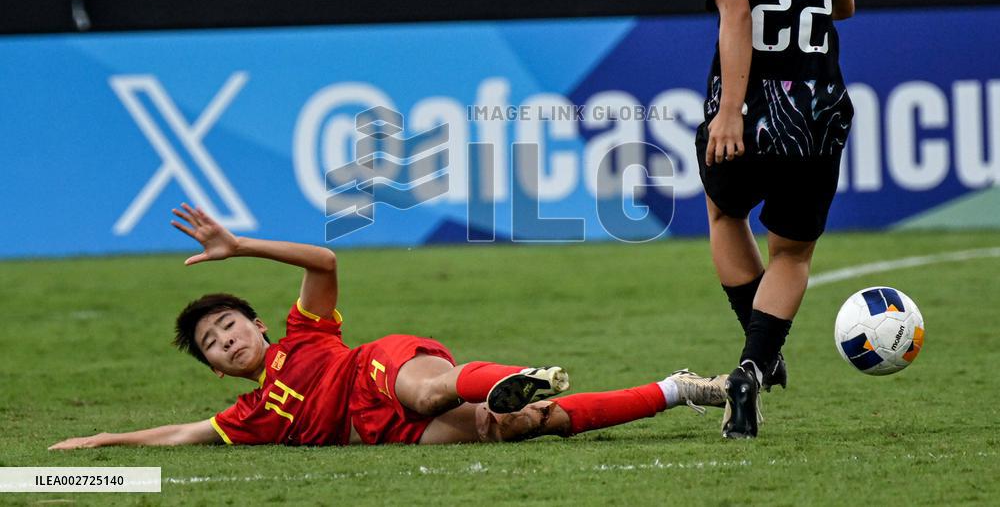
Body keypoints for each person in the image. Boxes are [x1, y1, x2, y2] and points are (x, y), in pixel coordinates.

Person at [51, 203, 726, 450]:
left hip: (380, 369)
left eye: (228, 325)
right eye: (212, 345)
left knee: (431, 390)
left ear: (257, 325)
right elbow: (180, 434)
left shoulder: (304, 333)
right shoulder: (250, 417)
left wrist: (242, 246)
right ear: (219, 370)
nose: (225, 340)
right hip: (382, 432)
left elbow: (325, 260)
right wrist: (106, 440)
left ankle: (515, 378)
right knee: (523, 425)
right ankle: (678, 389)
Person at [696, 0, 855, 438]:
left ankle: (759, 354)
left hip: (752, 112)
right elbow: (844, 7)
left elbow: (736, 19)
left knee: (724, 212)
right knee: (791, 254)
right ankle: (754, 366)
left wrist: (729, 112)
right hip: (816, 113)